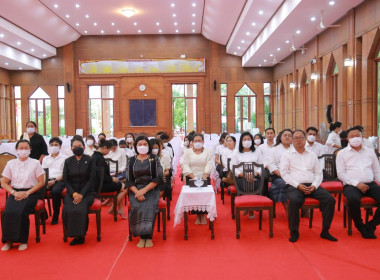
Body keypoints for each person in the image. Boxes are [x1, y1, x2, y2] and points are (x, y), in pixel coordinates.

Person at [281, 130, 337, 243]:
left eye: (301, 137)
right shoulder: (287, 154)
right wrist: (298, 185)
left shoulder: (312, 155)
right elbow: (284, 173)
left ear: (305, 139)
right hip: (294, 186)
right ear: (292, 140)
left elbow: (318, 173)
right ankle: (294, 232)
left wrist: (315, 186)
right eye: (295, 138)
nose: (298, 140)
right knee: (294, 200)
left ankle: (325, 231)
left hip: (312, 185)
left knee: (330, 199)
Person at [336, 126, 380, 239]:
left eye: (357, 136)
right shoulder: (342, 153)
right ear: (347, 139)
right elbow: (341, 174)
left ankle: (371, 225)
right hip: (351, 185)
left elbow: (376, 170)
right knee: (353, 199)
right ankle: (360, 226)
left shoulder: (370, 152)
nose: (355, 138)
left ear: (362, 137)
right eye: (352, 136)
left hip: (370, 183)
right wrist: (357, 184)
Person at [1, 139, 45, 251]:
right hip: (15, 192)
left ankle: (23, 240)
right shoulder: (11, 163)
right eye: (21, 148)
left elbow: (41, 182)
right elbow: (4, 182)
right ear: (16, 150)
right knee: (8, 212)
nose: (23, 150)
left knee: (21, 212)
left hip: (31, 192)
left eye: (26, 148)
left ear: (30, 149)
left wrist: (28, 193)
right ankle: (9, 241)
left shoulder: (35, 163)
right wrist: (14, 192)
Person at [126, 136, 163, 248]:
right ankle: (142, 236)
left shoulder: (154, 158)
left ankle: (148, 237)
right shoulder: (132, 160)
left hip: (151, 189)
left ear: (148, 146)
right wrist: (137, 192)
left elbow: (158, 178)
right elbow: (129, 180)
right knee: (137, 207)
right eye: (140, 144)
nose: (142, 146)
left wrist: (144, 190)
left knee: (149, 206)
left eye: (145, 144)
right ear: (136, 146)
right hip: (135, 190)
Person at [62, 138, 96, 246]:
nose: (77, 148)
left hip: (87, 193)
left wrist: (81, 194)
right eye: (75, 146)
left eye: (80, 146)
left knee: (80, 208)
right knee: (68, 208)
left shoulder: (90, 159)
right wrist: (74, 194)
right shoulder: (68, 161)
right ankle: (71, 233)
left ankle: (81, 235)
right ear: (71, 148)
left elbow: (91, 179)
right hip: (72, 192)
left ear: (84, 147)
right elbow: (66, 180)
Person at [230, 132, 263, 219]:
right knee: (247, 185)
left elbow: (261, 165)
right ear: (241, 141)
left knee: (254, 184)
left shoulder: (257, 151)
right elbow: (232, 167)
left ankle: (248, 206)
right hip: (241, 177)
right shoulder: (236, 152)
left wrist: (256, 173)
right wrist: (242, 174)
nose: (247, 141)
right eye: (245, 139)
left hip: (255, 176)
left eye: (249, 139)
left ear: (252, 141)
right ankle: (250, 208)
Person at [182, 133, 213, 224]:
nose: (198, 143)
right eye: (196, 141)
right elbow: (186, 165)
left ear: (203, 142)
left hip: (204, 176)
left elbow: (208, 164)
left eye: (199, 141)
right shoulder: (187, 152)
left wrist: (204, 178)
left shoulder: (208, 151)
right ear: (192, 142)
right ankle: (197, 215)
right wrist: (194, 177)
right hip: (191, 177)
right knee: (195, 195)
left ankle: (203, 215)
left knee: (203, 195)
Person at [92, 140, 127, 219]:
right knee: (124, 187)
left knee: (120, 186)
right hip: (100, 185)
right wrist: (112, 179)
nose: (109, 152)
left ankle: (120, 209)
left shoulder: (94, 156)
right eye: (108, 150)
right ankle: (112, 208)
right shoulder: (99, 158)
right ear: (104, 148)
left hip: (96, 184)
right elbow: (102, 176)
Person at [42, 137, 67, 225]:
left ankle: (55, 215)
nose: (54, 146)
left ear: (60, 146)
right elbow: (43, 172)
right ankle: (43, 215)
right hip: (47, 180)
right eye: (52, 145)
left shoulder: (64, 158)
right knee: (38, 190)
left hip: (59, 180)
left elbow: (65, 173)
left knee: (56, 191)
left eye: (56, 145)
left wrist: (55, 181)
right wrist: (45, 183)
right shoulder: (46, 158)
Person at [267, 129, 293, 212]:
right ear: (280, 137)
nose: (287, 137)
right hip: (279, 175)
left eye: (289, 135)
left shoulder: (295, 149)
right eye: (285, 135)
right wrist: (280, 174)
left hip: (294, 175)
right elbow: (271, 164)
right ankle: (288, 211)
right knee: (282, 184)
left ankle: (304, 208)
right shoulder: (274, 149)